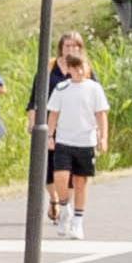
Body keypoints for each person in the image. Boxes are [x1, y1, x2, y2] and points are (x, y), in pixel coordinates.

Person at [39, 37, 106, 234]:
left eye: (81, 68)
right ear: (68, 69)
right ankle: (65, 207)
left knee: (80, 181)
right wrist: (49, 136)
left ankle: (78, 219)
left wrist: (103, 137)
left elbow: (101, 114)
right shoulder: (61, 88)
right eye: (73, 68)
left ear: (86, 68)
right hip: (64, 140)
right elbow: (53, 114)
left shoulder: (94, 88)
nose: (77, 72)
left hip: (85, 141)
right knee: (60, 176)